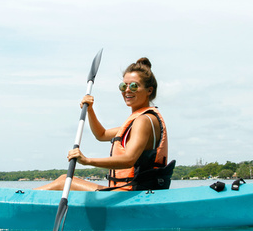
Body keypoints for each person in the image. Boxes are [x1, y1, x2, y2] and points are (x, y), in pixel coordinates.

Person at [36, 57, 173, 191]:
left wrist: (87, 161)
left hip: (131, 194)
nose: (127, 90)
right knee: (63, 179)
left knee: (63, 182)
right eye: (123, 85)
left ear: (149, 90)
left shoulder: (143, 121)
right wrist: (90, 110)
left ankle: (20, 201)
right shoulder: (139, 121)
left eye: (133, 86)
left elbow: (129, 159)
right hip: (126, 191)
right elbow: (101, 134)